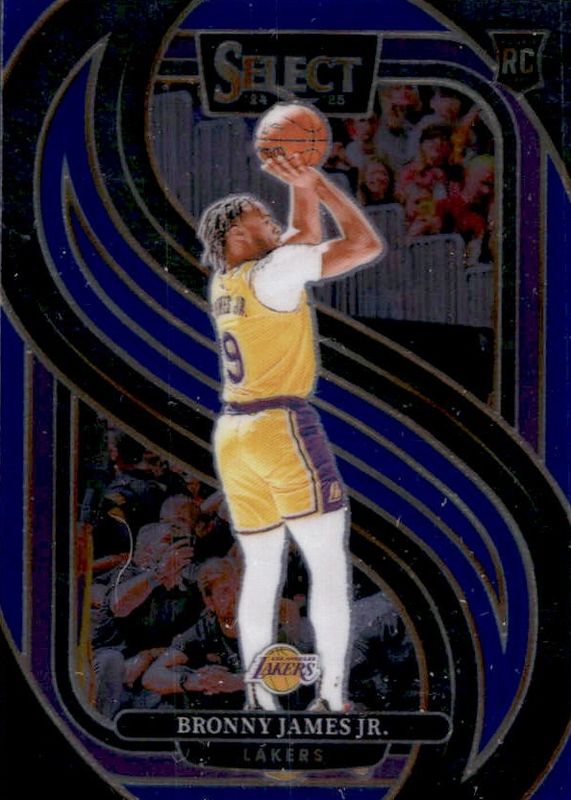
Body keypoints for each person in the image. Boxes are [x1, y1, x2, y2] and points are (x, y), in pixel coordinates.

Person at [196, 147, 385, 712]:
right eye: (260, 214)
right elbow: (365, 245)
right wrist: (320, 186)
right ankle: (331, 697)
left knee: (261, 569)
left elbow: (302, 235)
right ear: (237, 233)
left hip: (234, 434)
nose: (271, 219)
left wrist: (300, 185)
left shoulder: (226, 280)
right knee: (327, 565)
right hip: (281, 426)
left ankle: (261, 700)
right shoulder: (274, 272)